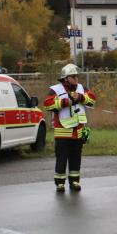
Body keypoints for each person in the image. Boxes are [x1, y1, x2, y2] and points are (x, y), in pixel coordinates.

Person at [43, 63, 96, 192]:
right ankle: (60, 183)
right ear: (66, 78)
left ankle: (75, 182)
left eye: (77, 76)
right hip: (62, 132)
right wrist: (66, 102)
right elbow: (48, 104)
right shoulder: (56, 89)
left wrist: (81, 97)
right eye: (73, 77)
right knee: (61, 159)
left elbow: (93, 100)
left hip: (78, 131)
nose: (76, 79)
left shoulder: (82, 88)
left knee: (76, 158)